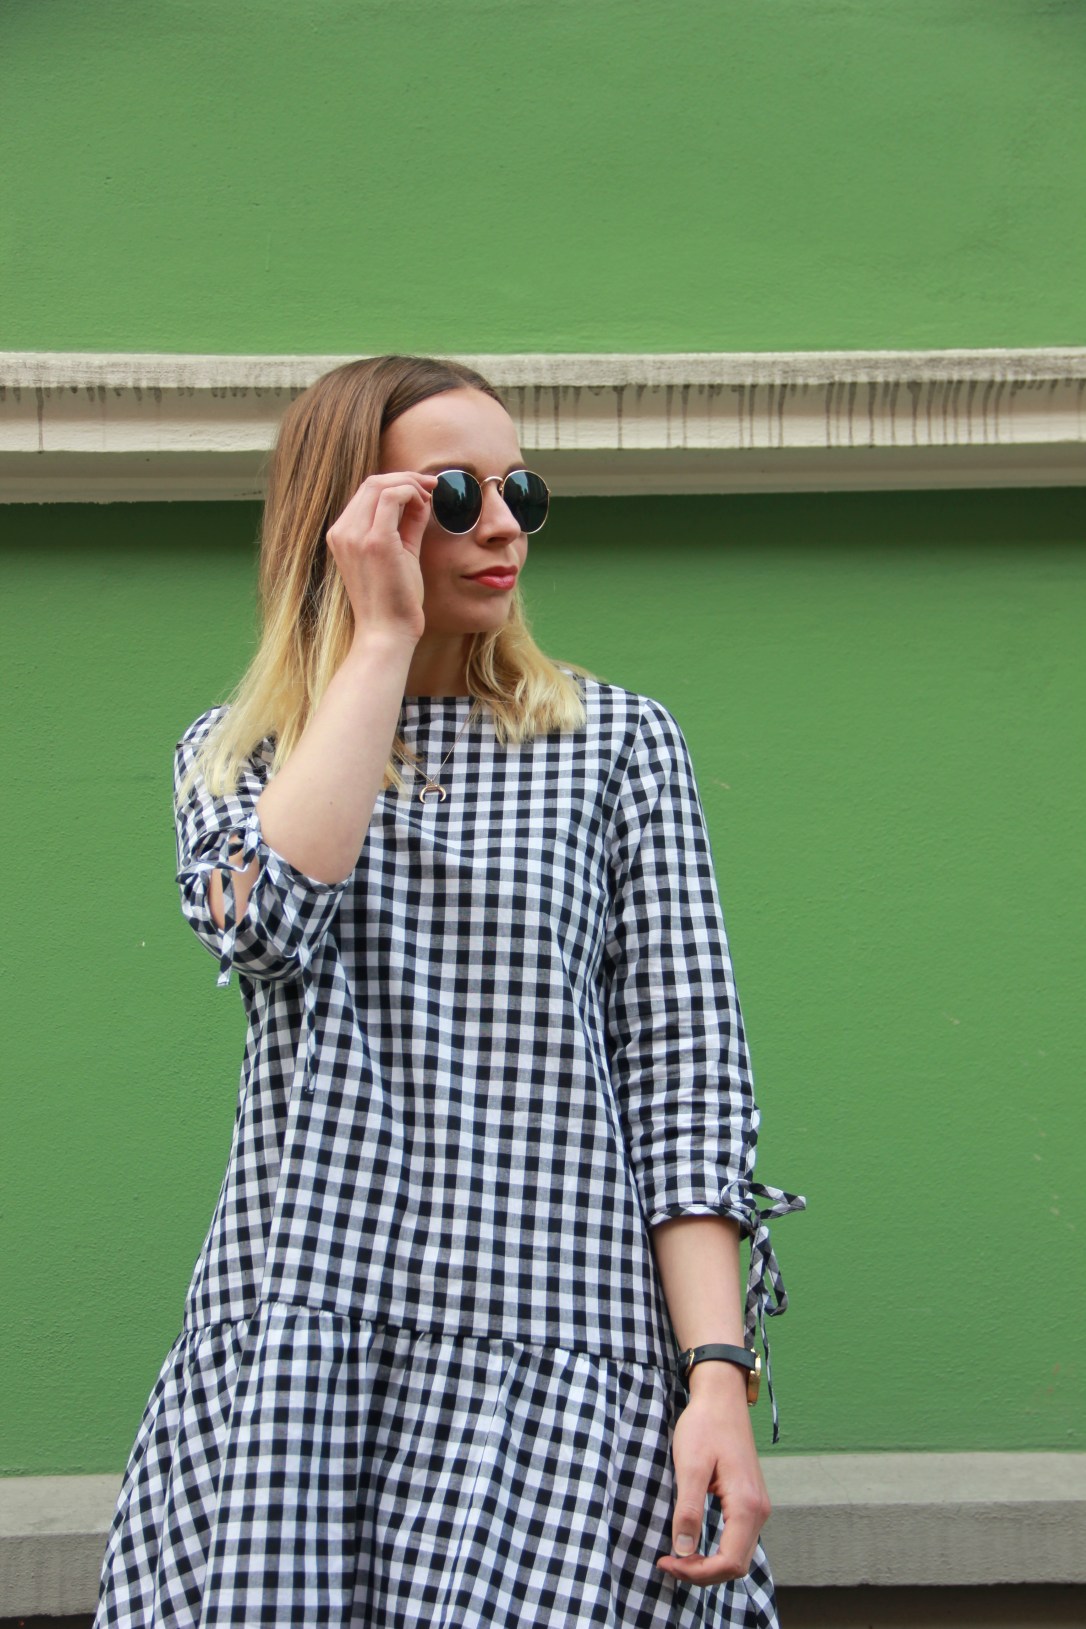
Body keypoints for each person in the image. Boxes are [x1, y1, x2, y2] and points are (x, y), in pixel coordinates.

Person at [93, 354, 804, 1629]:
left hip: (560, 1347)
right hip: (313, 1350)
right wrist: (378, 640)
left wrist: (716, 1381)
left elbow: (686, 1082)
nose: (503, 528)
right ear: (356, 516)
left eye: (521, 490)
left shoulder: (615, 746)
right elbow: (269, 931)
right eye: (457, 493)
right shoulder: (240, 754)